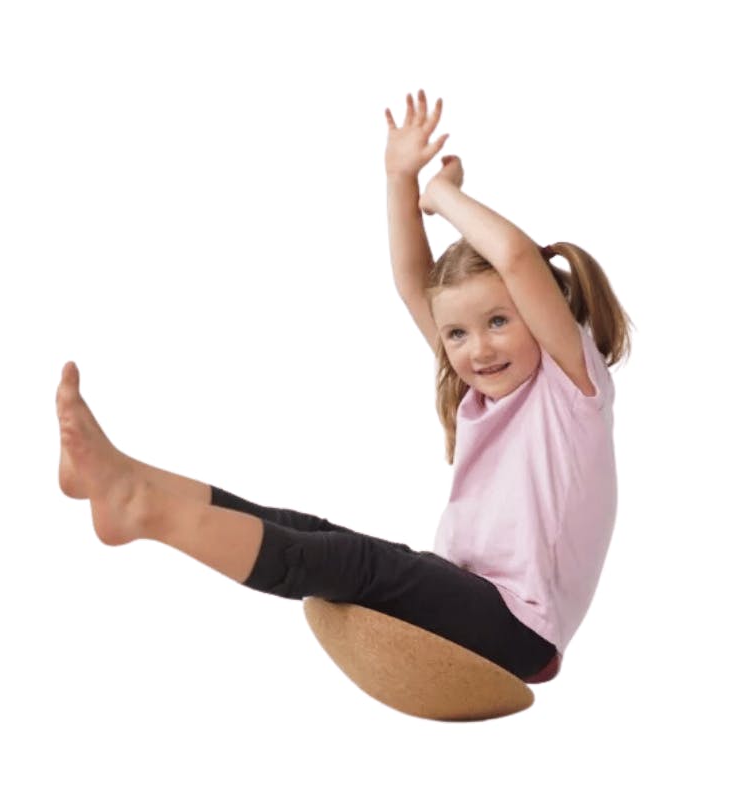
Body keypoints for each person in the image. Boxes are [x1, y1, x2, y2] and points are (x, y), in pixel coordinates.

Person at [55, 88, 632, 684]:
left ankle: (142, 509)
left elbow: (515, 258)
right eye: (457, 334)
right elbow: (412, 280)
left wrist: (444, 195)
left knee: (349, 562)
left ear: (540, 313)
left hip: (521, 628)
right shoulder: (478, 394)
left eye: (499, 322)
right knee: (311, 531)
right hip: (472, 599)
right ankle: (119, 476)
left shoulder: (571, 389)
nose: (478, 349)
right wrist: (400, 178)